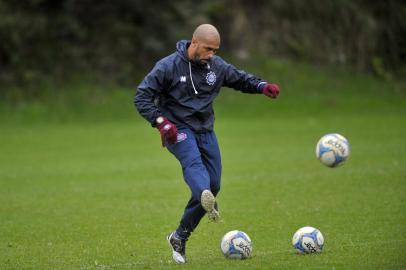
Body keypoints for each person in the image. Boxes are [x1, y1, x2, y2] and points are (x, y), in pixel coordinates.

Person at [134, 24, 280, 264]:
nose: (211, 54)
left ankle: (179, 236)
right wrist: (161, 122)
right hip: (177, 129)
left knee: (214, 185)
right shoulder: (167, 66)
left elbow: (239, 79)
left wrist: (261, 86)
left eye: (215, 50)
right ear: (194, 42)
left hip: (205, 130)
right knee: (194, 166)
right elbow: (141, 96)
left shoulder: (216, 66)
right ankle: (204, 194)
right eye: (208, 49)